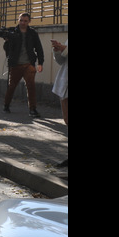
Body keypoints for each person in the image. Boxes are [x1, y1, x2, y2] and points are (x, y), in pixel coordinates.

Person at [0, 13, 44, 117]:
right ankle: (6, 105)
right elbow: (7, 50)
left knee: (31, 86)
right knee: (11, 86)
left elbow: (39, 48)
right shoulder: (12, 32)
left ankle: (33, 109)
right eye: (21, 20)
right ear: (18, 20)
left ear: (29, 22)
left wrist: (40, 63)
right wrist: (7, 41)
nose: (23, 23)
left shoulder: (32, 33)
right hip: (16, 64)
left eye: (25, 21)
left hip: (29, 64)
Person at [51, 38, 68, 167]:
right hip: (65, 85)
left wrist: (64, 49)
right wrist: (57, 51)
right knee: (67, 119)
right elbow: (61, 61)